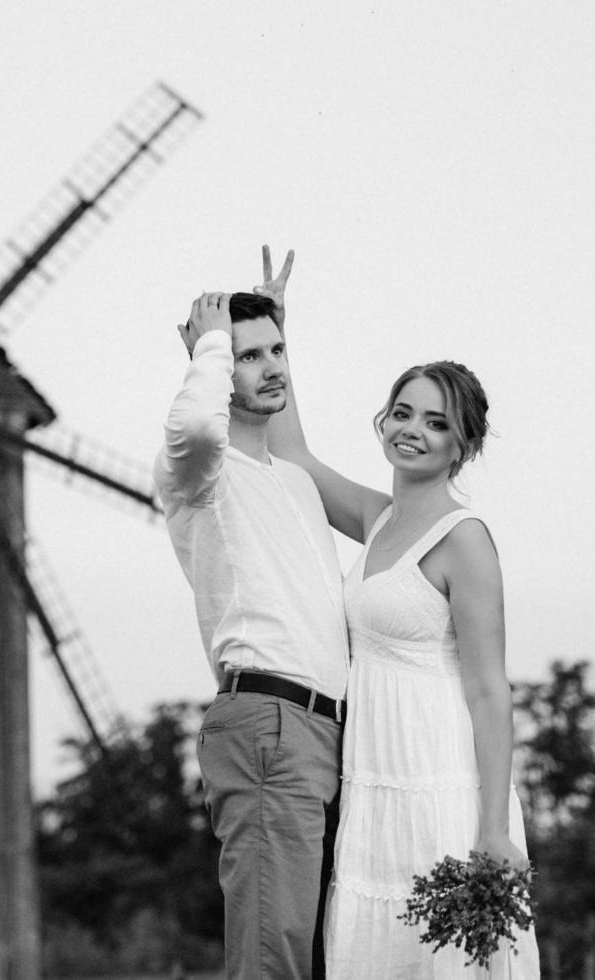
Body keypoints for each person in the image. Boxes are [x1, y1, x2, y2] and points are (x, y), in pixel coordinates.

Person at [265, 260, 540, 977]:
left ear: (462, 445)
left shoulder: (464, 538)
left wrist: (489, 828)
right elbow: (290, 453)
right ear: (383, 419)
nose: (411, 430)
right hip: (373, 778)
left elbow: (487, 688)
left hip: (441, 782)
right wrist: (275, 337)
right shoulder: (377, 516)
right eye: (403, 412)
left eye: (435, 422)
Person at [153, 271, 350, 980]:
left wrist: (252, 332)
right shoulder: (199, 472)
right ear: (214, 367)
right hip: (268, 723)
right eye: (248, 355)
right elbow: (194, 424)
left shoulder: (290, 479)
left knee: (324, 952)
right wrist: (208, 346)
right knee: (274, 954)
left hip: (331, 732)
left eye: (277, 350)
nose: (271, 367)